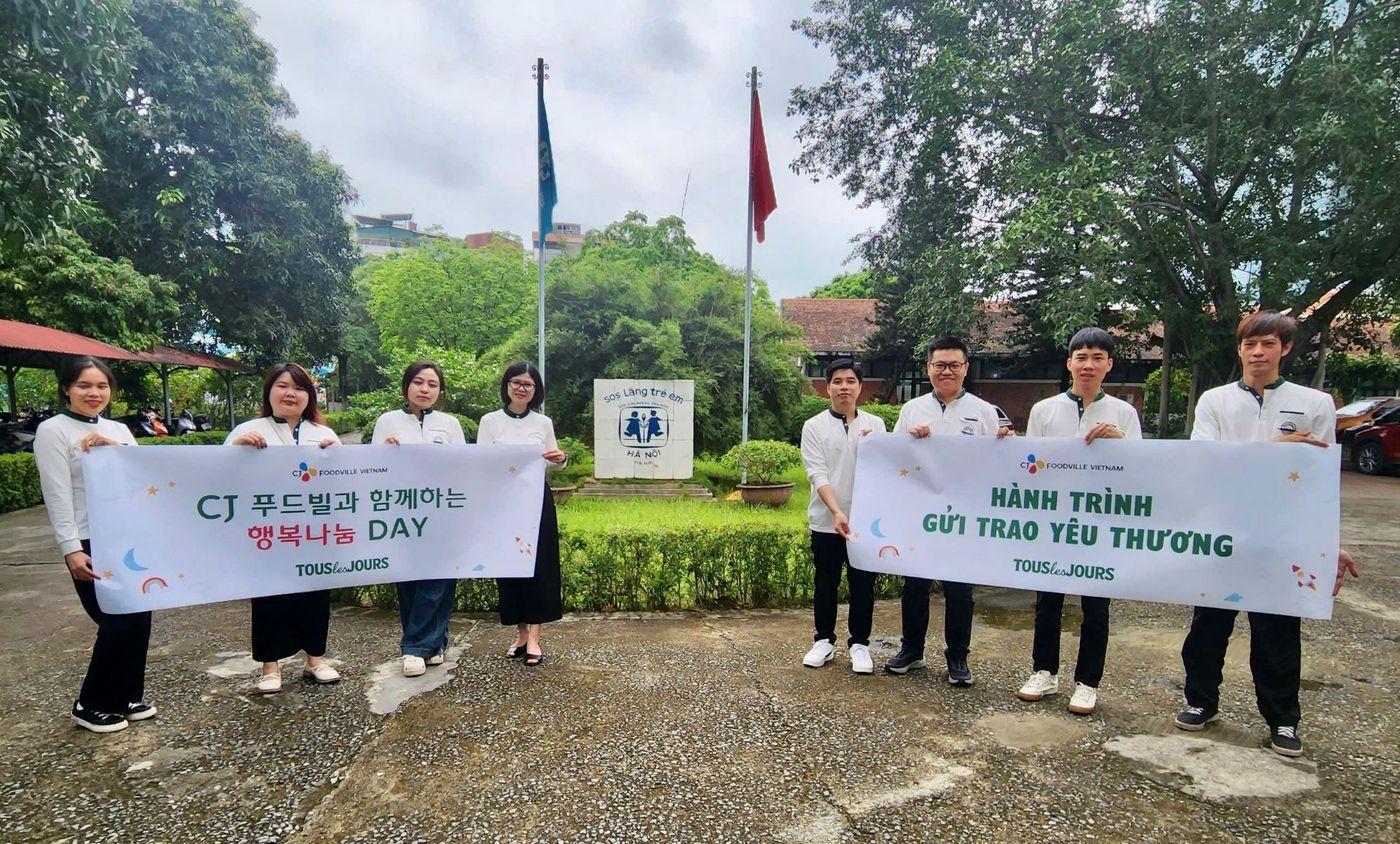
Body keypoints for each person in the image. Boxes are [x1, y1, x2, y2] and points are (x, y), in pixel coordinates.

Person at [1175, 311, 1359, 757]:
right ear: (1239, 349)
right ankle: (1201, 702)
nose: (1258, 353)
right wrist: (1276, 452)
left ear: (1286, 349)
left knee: (1277, 630)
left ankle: (1283, 720)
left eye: (1268, 345)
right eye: (1250, 345)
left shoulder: (1315, 404)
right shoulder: (1214, 402)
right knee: (1208, 626)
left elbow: (1318, 483)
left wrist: (1328, 543)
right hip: (1223, 530)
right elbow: (1206, 464)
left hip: (1283, 535)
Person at [1015, 327, 1143, 716]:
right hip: (1053, 522)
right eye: (1081, 357)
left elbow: (1141, 471)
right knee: (1047, 601)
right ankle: (1044, 671)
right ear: (1069, 362)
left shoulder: (1124, 413)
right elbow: (1028, 467)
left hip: (1099, 523)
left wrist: (1122, 441)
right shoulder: (1045, 410)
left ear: (1109, 364)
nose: (1088, 365)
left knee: (1096, 606)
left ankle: (1087, 682)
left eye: (1097, 358)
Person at [885, 336, 1012, 685]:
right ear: (928, 369)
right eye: (939, 365)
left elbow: (999, 462)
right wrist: (910, 439)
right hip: (922, 513)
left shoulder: (985, 412)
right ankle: (912, 650)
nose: (946, 371)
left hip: (964, 517)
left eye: (954, 365)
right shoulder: (912, 410)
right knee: (915, 585)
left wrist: (1006, 444)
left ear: (966, 369)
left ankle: (958, 658)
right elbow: (896, 458)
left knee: (959, 589)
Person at [34, 357, 149, 733]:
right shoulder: (53, 431)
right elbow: (57, 493)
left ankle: (127, 695)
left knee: (140, 615)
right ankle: (91, 703)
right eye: (84, 385)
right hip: (87, 536)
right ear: (67, 388)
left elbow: (143, 473)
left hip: (126, 534)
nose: (94, 393)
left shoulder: (119, 429)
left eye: (102, 386)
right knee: (116, 618)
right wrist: (70, 548)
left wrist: (112, 446)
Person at [225, 363, 342, 694]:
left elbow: (346, 484)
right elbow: (219, 479)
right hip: (268, 533)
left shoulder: (325, 434)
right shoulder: (247, 431)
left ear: (309, 396)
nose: (290, 393)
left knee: (315, 595)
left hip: (314, 532)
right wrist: (236, 453)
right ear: (269, 391)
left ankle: (316, 659)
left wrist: (336, 459)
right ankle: (270, 666)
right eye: (282, 386)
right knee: (269, 597)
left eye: (299, 388)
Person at [371, 361, 467, 677]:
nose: (425, 389)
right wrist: (384, 451)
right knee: (410, 579)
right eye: (418, 382)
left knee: (439, 579)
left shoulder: (450, 425)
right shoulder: (388, 421)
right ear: (406, 386)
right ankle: (427, 644)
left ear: (440, 391)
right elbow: (372, 468)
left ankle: (420, 646)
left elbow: (463, 465)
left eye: (432, 384)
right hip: (402, 512)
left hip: (442, 511)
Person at [799, 359, 888, 673]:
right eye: (837, 381)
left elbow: (885, 470)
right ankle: (823, 640)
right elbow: (817, 473)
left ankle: (860, 644)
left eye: (850, 381)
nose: (844, 387)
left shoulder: (876, 425)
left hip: (865, 523)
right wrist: (836, 511)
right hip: (826, 520)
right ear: (828, 388)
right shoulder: (814, 426)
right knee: (826, 582)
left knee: (862, 583)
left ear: (860, 387)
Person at [477, 362, 567, 667]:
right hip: (503, 502)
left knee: (538, 566)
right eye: (516, 382)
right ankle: (520, 633)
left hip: (535, 501)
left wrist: (562, 458)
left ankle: (535, 637)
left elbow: (553, 461)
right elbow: (482, 461)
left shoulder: (543, 424)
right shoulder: (489, 422)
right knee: (511, 566)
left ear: (535, 390)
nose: (521, 388)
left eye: (528, 385)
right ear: (506, 385)